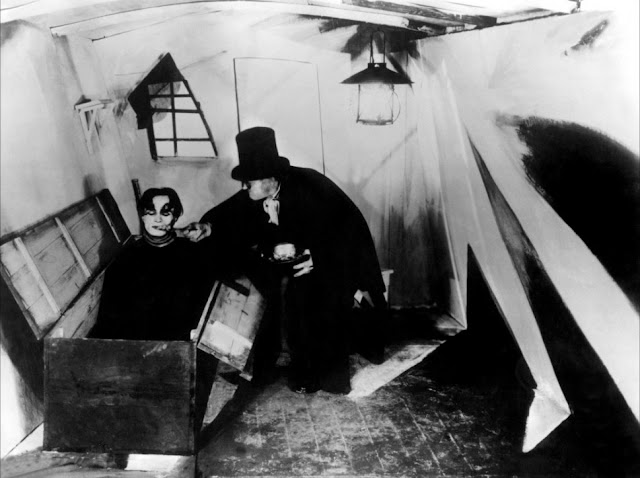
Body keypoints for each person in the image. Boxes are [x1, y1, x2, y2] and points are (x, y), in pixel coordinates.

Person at [185, 126, 387, 395]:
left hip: (335, 263)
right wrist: (207, 227)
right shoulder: (258, 193)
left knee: (309, 298)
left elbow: (349, 230)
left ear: (269, 178)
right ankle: (260, 366)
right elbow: (230, 212)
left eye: (248, 182)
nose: (244, 187)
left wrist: (319, 258)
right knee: (262, 287)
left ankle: (318, 374)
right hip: (295, 263)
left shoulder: (312, 186)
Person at [91, 187, 214, 340]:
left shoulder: (193, 254)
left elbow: (201, 309)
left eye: (165, 213)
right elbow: (111, 318)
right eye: (151, 212)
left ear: (175, 217)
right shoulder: (126, 258)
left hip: (180, 340)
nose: (158, 219)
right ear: (143, 217)